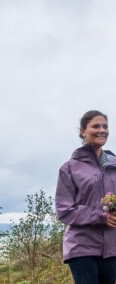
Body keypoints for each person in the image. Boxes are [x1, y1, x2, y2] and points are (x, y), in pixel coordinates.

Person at [55, 110, 116, 284]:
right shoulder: (70, 168)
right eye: (96, 126)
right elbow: (64, 211)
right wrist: (101, 217)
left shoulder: (114, 166)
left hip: (111, 248)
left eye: (105, 126)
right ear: (83, 131)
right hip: (82, 247)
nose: (102, 130)